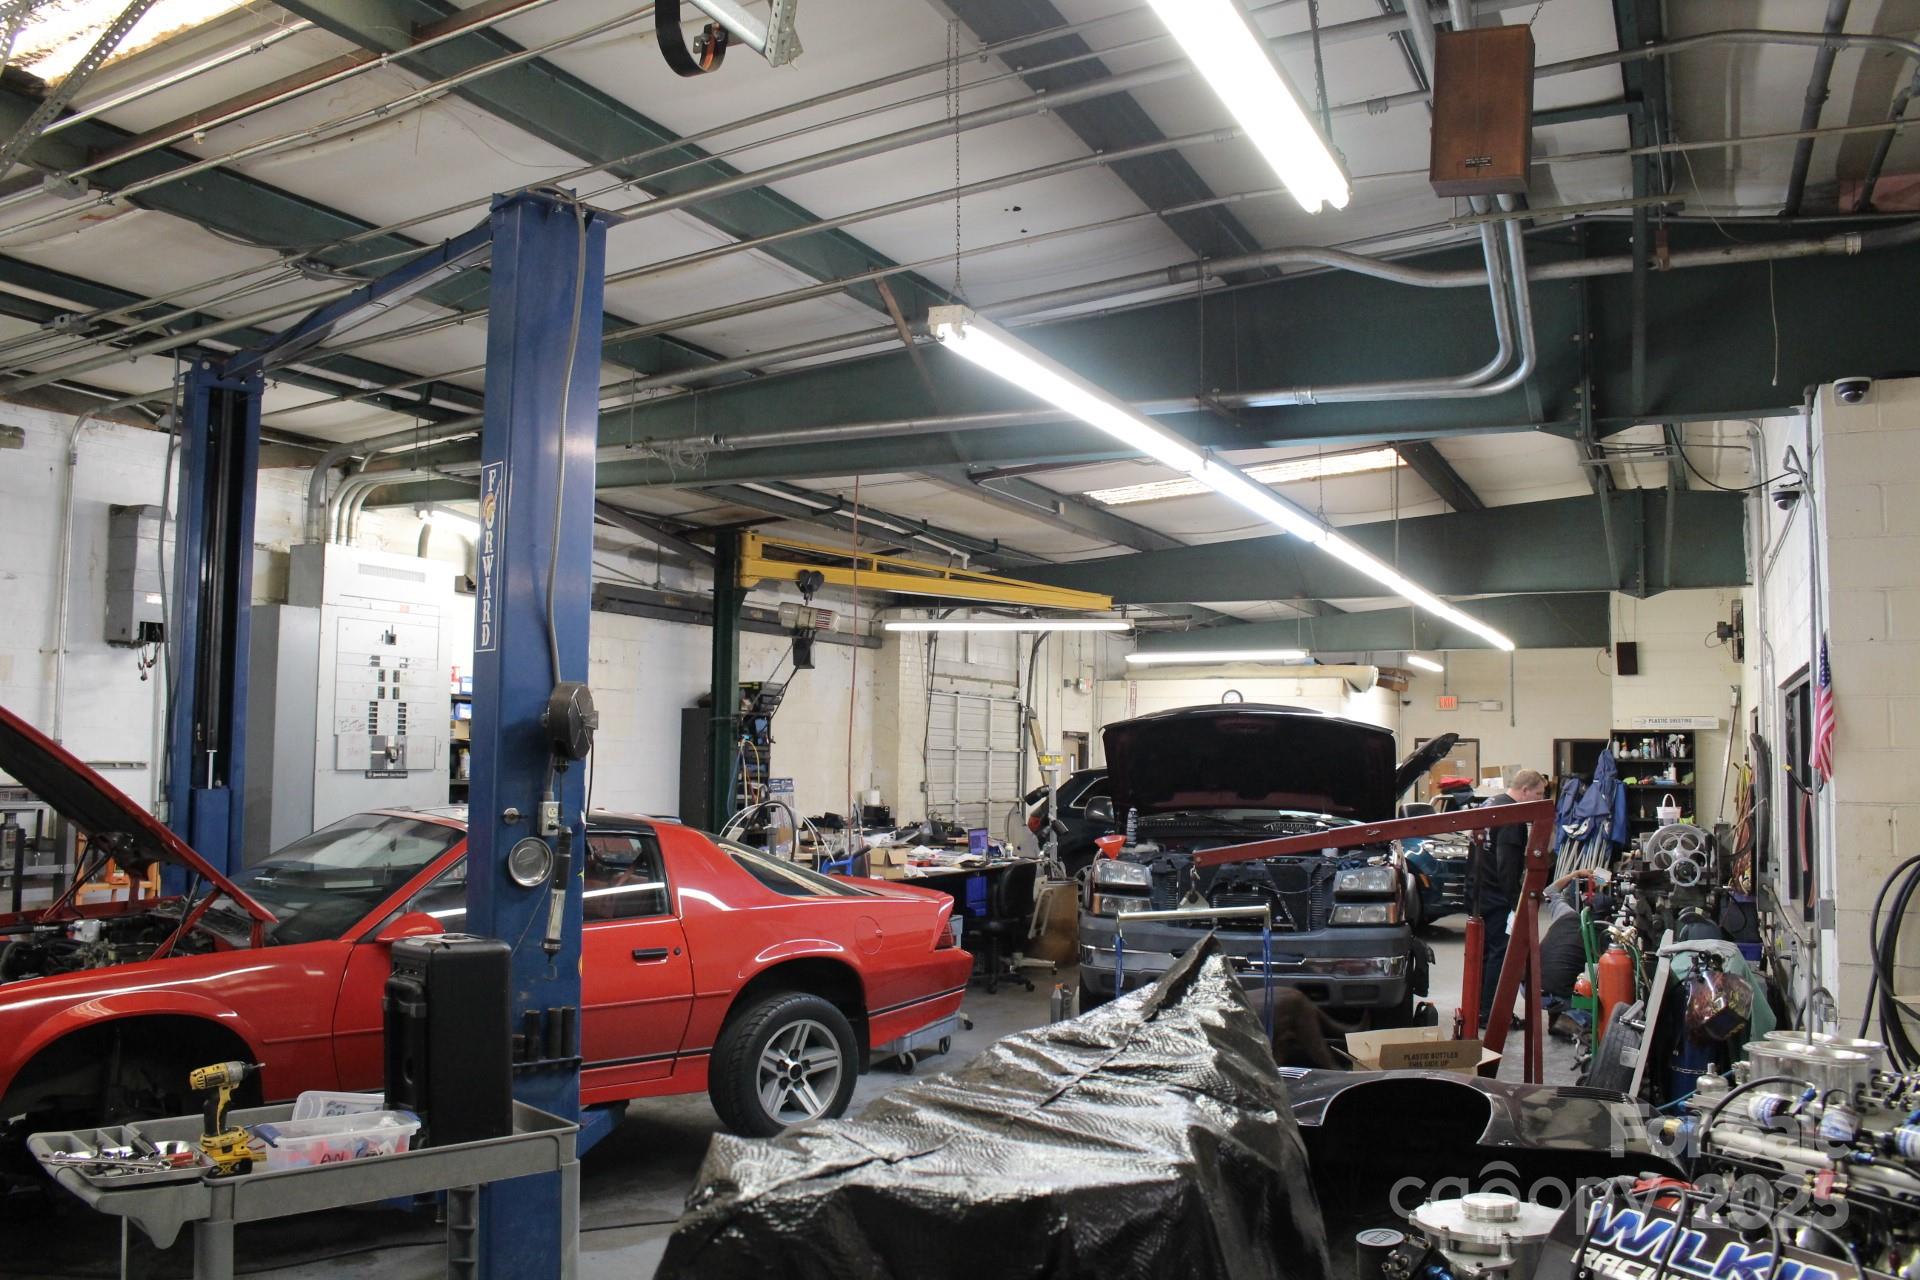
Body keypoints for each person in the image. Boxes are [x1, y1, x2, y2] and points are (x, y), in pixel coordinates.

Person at [1471, 769, 1548, 1025]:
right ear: (1525, 790)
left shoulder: (1490, 804)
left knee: (1483, 954)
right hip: (1497, 896)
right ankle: (1491, 1014)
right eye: (1539, 794)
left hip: (1479, 892)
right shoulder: (1512, 818)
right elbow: (1508, 867)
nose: (1540, 800)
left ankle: (1479, 1010)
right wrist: (1517, 903)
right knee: (1500, 954)